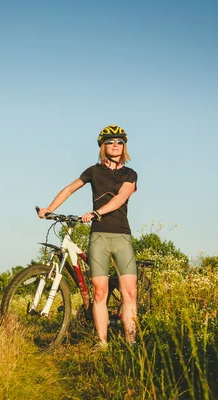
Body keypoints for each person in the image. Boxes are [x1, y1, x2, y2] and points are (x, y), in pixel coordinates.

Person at [38, 125, 138, 348]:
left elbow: (121, 197)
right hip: (98, 237)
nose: (115, 145)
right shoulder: (93, 171)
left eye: (119, 142)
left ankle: (131, 344)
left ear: (124, 146)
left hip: (121, 236)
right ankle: (102, 343)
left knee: (130, 293)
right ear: (103, 146)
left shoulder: (129, 174)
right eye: (110, 142)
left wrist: (96, 212)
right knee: (99, 292)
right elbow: (69, 189)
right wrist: (49, 208)